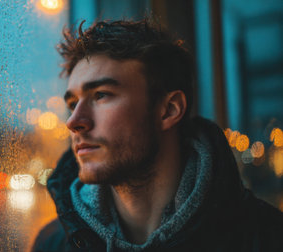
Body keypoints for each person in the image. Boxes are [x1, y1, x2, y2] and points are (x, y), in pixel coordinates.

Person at [32, 18, 283, 252]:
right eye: (73, 104)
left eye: (101, 95)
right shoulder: (52, 244)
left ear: (169, 110)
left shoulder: (267, 237)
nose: (74, 122)